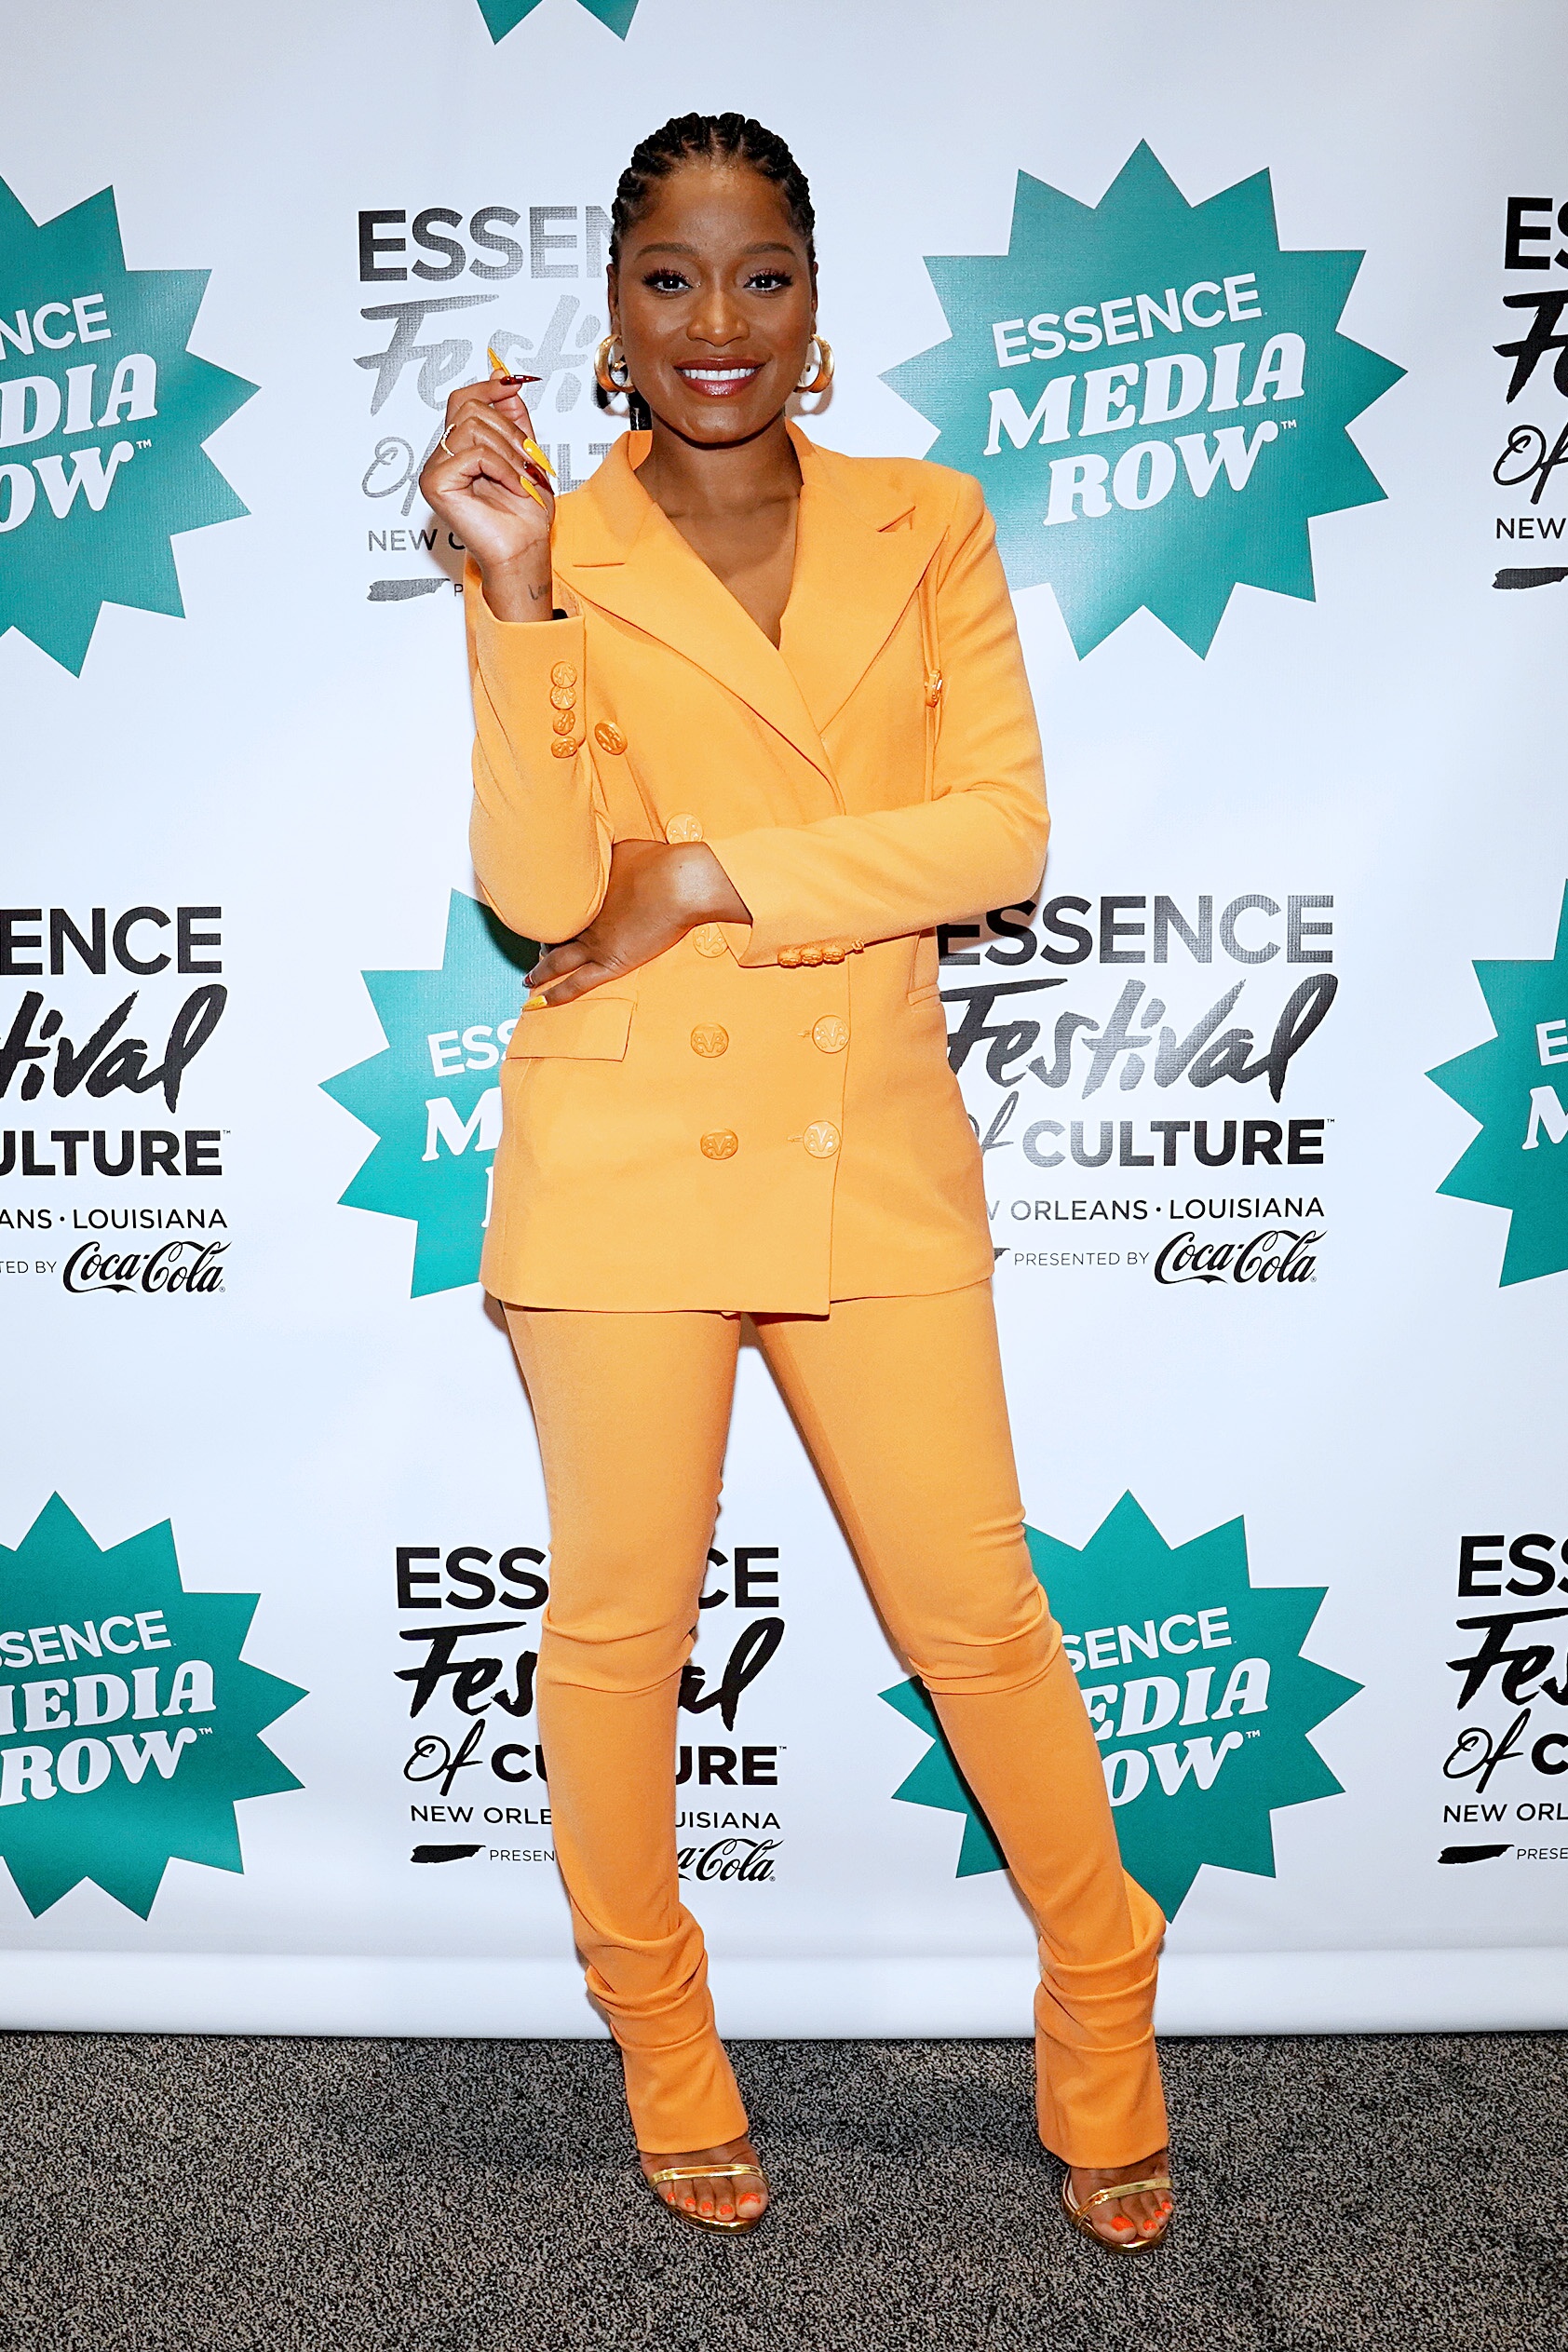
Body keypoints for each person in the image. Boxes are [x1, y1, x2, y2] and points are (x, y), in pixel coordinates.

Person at [419, 111, 1172, 2251]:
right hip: (621, 1157)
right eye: (668, 276)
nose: (716, 320)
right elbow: (539, 889)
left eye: (759, 273)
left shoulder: (926, 522)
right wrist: (512, 595)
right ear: (612, 310)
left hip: (869, 1156)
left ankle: (1104, 1998)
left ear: (814, 303)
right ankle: (662, 2040)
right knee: (618, 1636)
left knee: (977, 1619)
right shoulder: (554, 540)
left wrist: (705, 874)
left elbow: (996, 835)